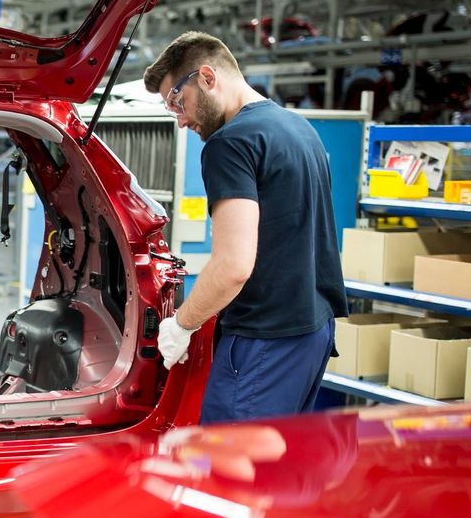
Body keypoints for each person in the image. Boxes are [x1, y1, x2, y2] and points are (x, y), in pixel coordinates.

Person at [144, 31, 347, 423]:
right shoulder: (297, 128)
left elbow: (233, 266)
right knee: (278, 469)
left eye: (178, 102)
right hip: (313, 333)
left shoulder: (230, 143)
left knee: (231, 475)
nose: (181, 119)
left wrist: (181, 325)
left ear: (206, 77)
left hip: (263, 342)